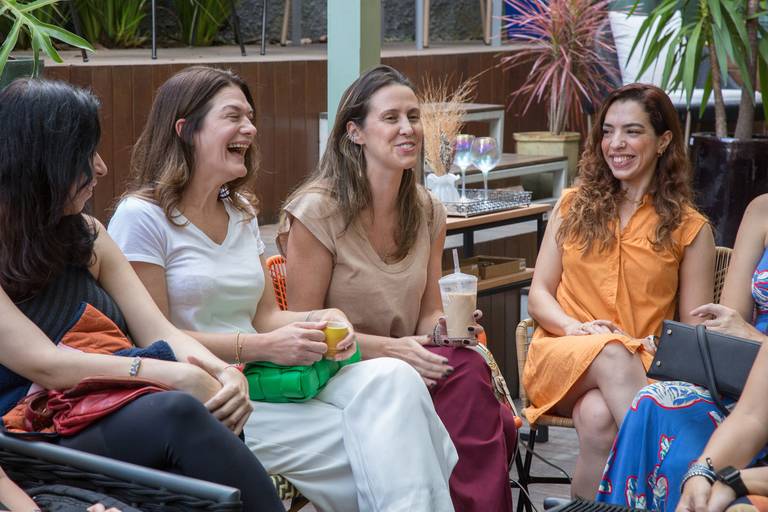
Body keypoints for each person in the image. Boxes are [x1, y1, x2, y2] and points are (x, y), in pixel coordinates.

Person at [108, 65, 458, 512]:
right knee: (396, 443)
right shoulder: (142, 218)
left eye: (250, 117)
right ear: (186, 130)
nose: (249, 128)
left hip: (268, 381)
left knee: (395, 379)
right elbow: (153, 339)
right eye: (233, 117)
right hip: (208, 396)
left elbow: (267, 315)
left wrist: (321, 319)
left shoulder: (240, 212)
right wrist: (263, 346)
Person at [0, 78, 283, 512]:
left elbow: (160, 328)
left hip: (109, 407)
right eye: (84, 154)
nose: (101, 167)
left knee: (211, 401)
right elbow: (48, 364)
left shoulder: (88, 235)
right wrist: (172, 375)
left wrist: (224, 374)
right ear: (41, 161)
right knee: (180, 411)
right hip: (32, 429)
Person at [277, 64, 518, 512]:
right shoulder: (317, 213)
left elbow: (427, 314)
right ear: (356, 132)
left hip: (413, 359)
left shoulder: (427, 210)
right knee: (478, 401)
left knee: (464, 362)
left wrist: (445, 327)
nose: (408, 129)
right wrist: (394, 350)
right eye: (391, 118)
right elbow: (304, 332)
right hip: (342, 370)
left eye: (413, 116)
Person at [522, 83, 715, 498]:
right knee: (611, 351)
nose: (616, 144)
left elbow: (693, 331)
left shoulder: (690, 228)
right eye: (608, 132)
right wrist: (575, 329)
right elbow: (539, 294)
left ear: (663, 141)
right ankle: (676, 480)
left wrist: (652, 341)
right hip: (561, 351)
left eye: (631, 131)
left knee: (597, 418)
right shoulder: (572, 205)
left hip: (642, 363)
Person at [597, 194, 768, 512]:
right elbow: (726, 323)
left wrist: (756, 338)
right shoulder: (761, 210)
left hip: (760, 360)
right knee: (654, 401)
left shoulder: (689, 226)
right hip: (743, 377)